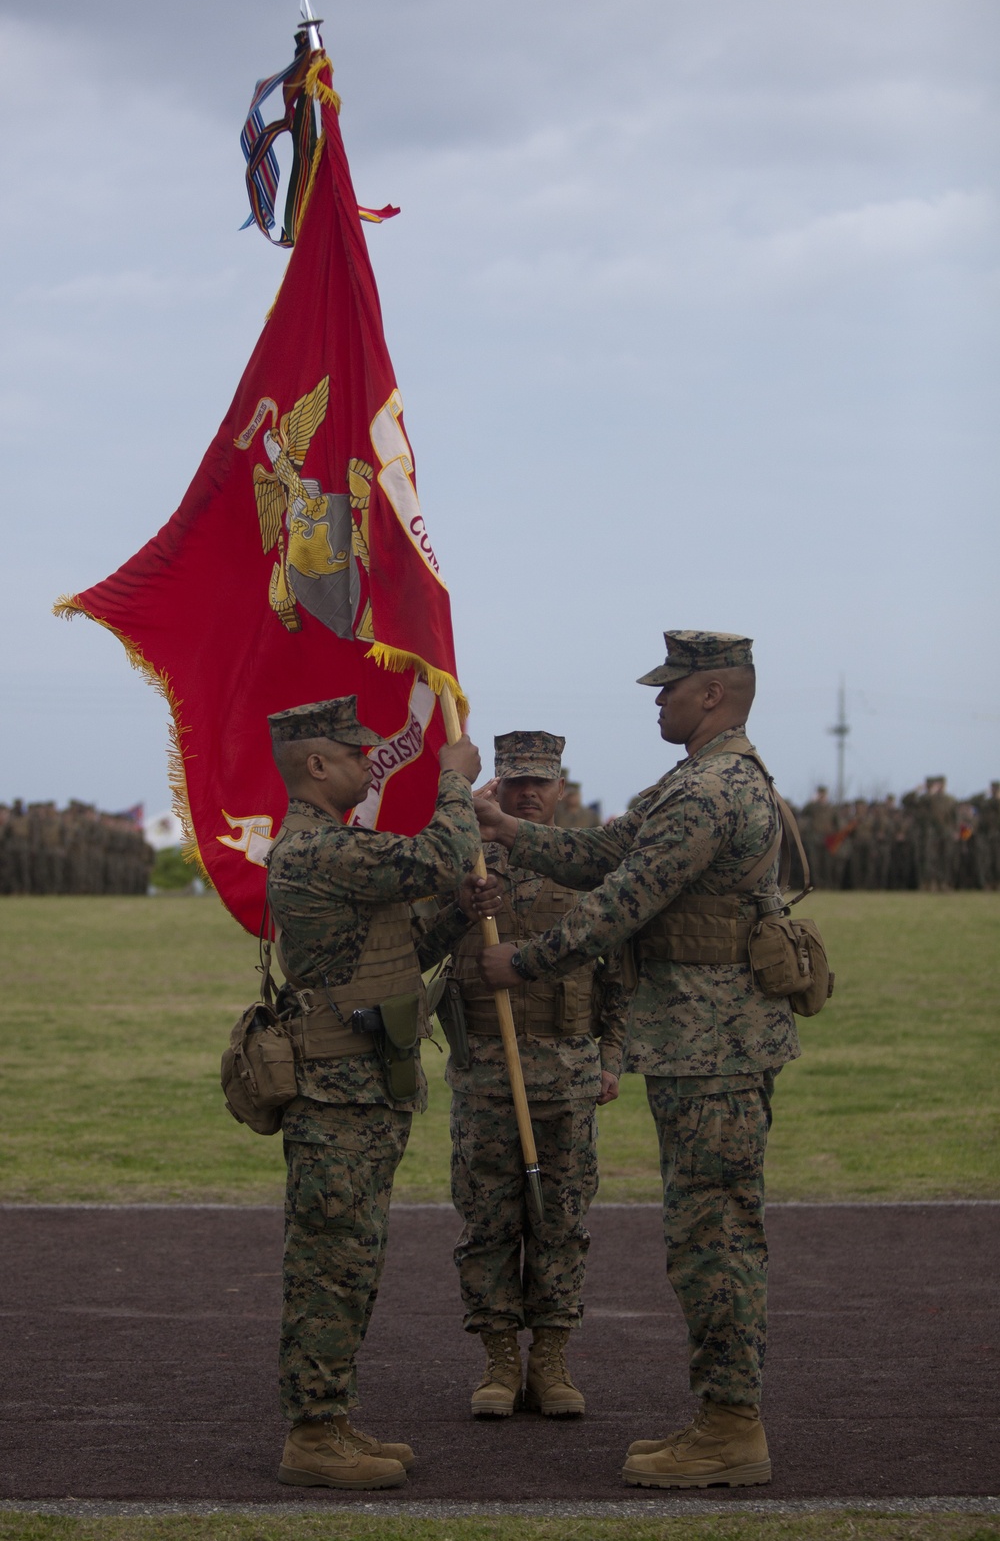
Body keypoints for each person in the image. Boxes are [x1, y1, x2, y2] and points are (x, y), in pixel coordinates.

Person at [477, 631, 801, 1490]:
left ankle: (731, 1424)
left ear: (711, 695)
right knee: (707, 1228)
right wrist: (507, 827)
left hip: (714, 1042)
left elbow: (623, 899)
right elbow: (603, 854)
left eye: (669, 690)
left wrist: (526, 960)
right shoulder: (701, 782)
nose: (656, 702)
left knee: (714, 1235)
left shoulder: (710, 790)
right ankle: (723, 1415)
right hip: (705, 1039)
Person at [265, 695, 481, 1491]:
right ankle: (312, 1432)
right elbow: (439, 857)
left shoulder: (336, 848)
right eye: (357, 753)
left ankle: (332, 1415)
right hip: (336, 1093)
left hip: (364, 1085)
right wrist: (454, 784)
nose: (372, 762)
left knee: (353, 1260)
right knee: (331, 1263)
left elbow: (394, 948)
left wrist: (456, 918)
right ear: (316, 764)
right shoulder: (314, 849)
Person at [419, 732, 627, 1420]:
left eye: (541, 782)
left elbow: (621, 972)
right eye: (515, 782)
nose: (529, 793)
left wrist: (615, 1054)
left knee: (561, 1222)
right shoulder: (465, 859)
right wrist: (462, 904)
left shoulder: (586, 865)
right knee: (486, 1223)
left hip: (567, 1073)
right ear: (496, 788)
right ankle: (501, 1359)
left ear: (561, 788)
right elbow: (421, 945)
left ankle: (553, 1358)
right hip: (486, 1073)